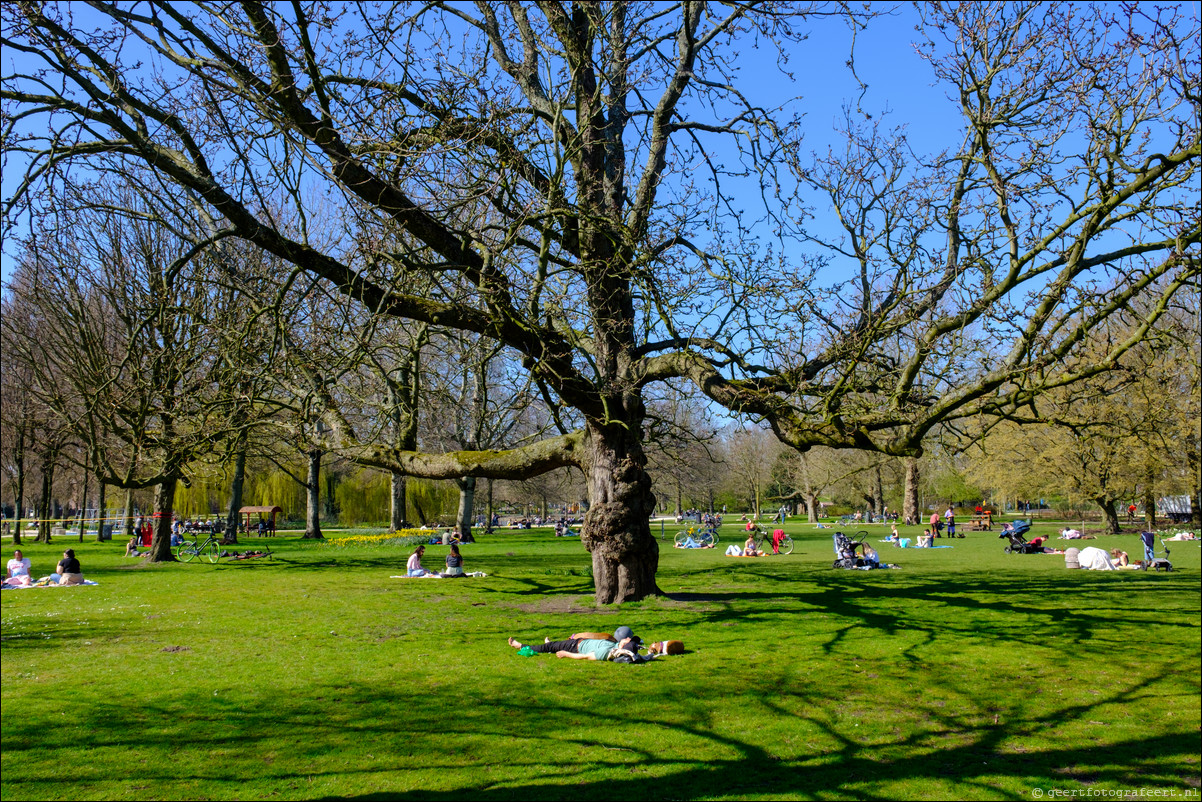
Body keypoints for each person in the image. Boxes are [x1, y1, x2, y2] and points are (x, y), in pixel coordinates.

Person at [508, 625, 641, 661]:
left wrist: (566, 654)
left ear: (624, 646)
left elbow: (586, 656)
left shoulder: (607, 652)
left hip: (573, 647)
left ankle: (520, 645)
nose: (628, 639)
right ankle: (551, 645)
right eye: (628, 638)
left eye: (628, 640)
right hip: (577, 642)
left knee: (547, 647)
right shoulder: (613, 644)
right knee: (552, 645)